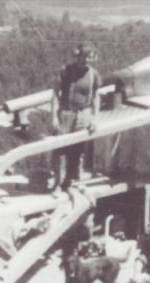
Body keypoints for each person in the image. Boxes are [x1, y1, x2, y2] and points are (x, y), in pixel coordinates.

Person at [51, 41, 102, 192]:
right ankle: (57, 183)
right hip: (66, 113)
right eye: (85, 57)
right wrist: (54, 116)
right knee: (60, 149)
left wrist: (95, 118)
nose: (87, 60)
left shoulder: (93, 74)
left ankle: (70, 180)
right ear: (78, 55)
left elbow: (96, 97)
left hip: (83, 114)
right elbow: (55, 94)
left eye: (90, 57)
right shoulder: (65, 71)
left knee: (77, 150)